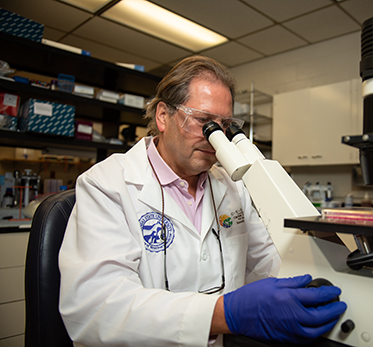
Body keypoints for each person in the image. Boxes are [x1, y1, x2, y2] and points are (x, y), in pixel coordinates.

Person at [59, 55, 347, 347]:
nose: (215, 138)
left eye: (223, 126)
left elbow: (268, 263)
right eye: (203, 122)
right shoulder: (107, 183)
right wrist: (225, 314)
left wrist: (316, 279)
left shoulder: (233, 187)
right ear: (163, 116)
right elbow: (96, 307)